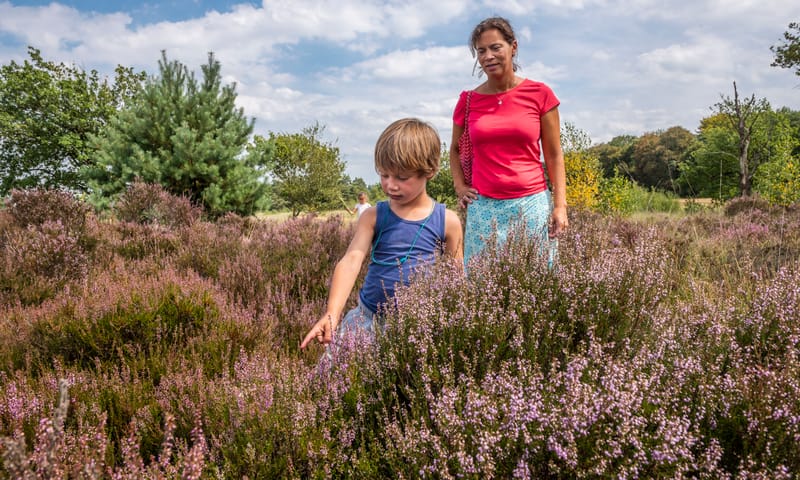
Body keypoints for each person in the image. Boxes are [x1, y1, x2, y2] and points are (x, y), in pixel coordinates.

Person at [301, 118, 463, 349]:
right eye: (384, 175)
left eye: (401, 177)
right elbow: (351, 260)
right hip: (366, 321)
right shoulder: (373, 216)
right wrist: (332, 313)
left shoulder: (447, 221)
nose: (390, 185)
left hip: (416, 328)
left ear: (430, 171)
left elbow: (455, 277)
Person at [450, 16, 568, 266]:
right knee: (483, 285)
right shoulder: (468, 100)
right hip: (483, 208)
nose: (488, 56)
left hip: (532, 204)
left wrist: (560, 206)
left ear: (513, 47)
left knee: (538, 282)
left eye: (495, 47)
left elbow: (554, 155)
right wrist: (460, 187)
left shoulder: (540, 94)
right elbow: (454, 149)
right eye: (481, 51)